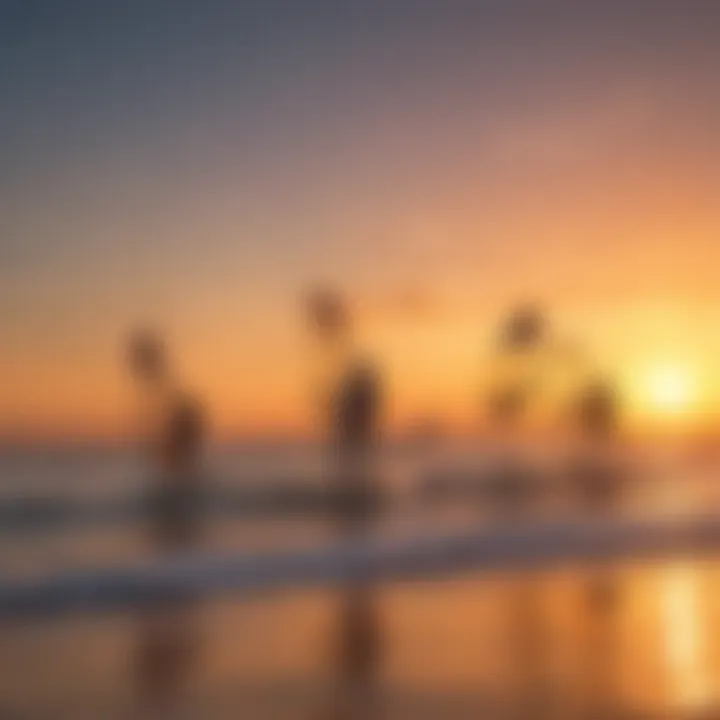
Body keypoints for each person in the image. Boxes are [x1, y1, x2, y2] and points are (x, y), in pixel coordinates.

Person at [305, 288, 384, 719]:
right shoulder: (354, 386)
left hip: (352, 436)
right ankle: (355, 560)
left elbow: (354, 414)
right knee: (354, 487)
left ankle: (355, 565)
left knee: (354, 485)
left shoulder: (355, 389)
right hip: (352, 448)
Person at [125, 328, 206, 716]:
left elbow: (176, 438)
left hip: (178, 498)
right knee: (176, 518)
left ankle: (174, 594)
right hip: (177, 495)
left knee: (177, 526)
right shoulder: (175, 418)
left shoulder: (178, 419)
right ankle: (174, 589)